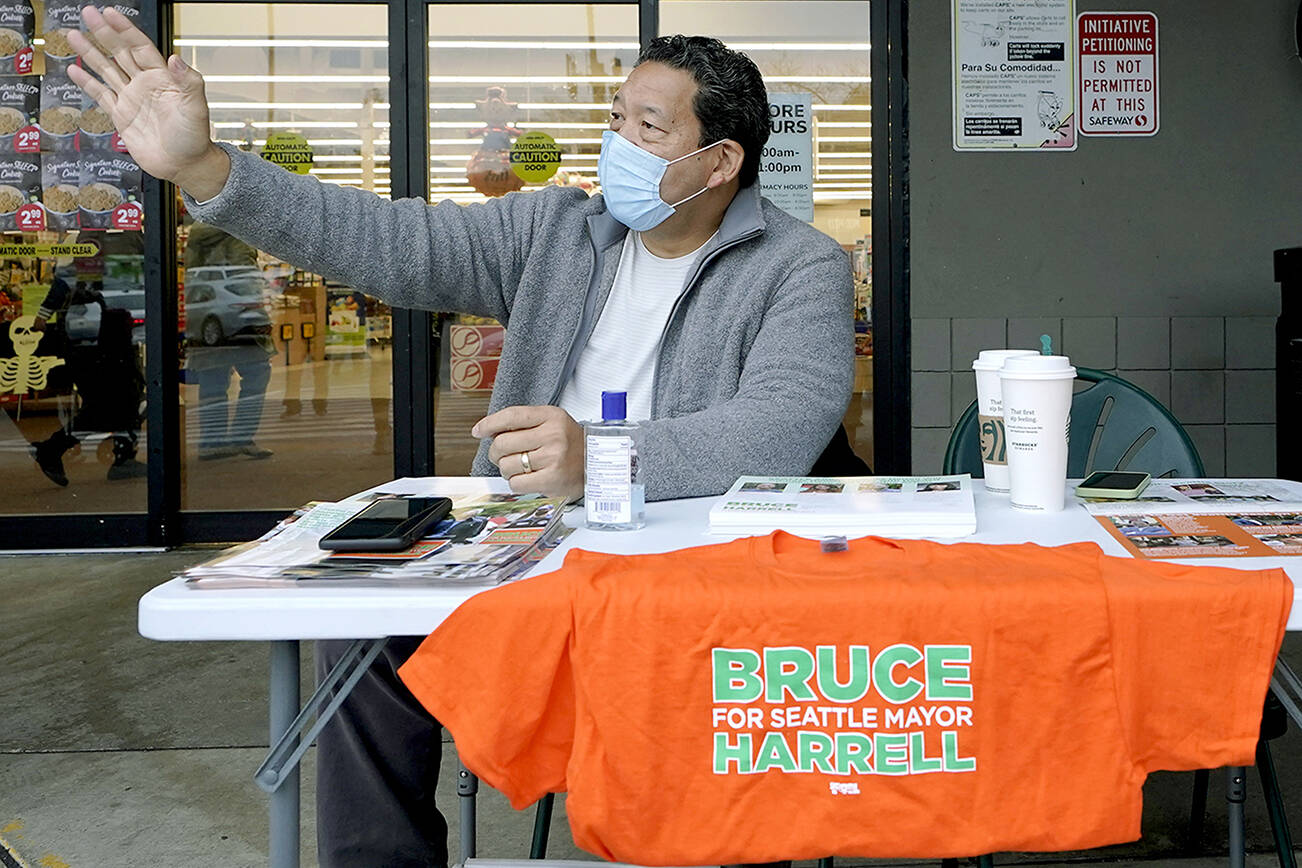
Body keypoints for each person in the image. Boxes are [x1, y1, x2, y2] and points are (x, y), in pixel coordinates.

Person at [67, 9, 855, 867]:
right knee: (365, 636)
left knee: (726, 704)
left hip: (684, 570)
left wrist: (597, 458)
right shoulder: (555, 232)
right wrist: (207, 167)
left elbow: (781, 424)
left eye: (649, 126)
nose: (617, 143)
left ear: (721, 161)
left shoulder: (798, 263)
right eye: (616, 118)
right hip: (523, 548)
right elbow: (388, 241)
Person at [183, 223, 276, 460]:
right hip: (237, 314)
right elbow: (245, 280)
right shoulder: (238, 232)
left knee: (213, 379)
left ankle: (211, 442)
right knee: (257, 373)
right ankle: (241, 437)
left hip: (204, 315)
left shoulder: (197, 235)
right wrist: (259, 314)